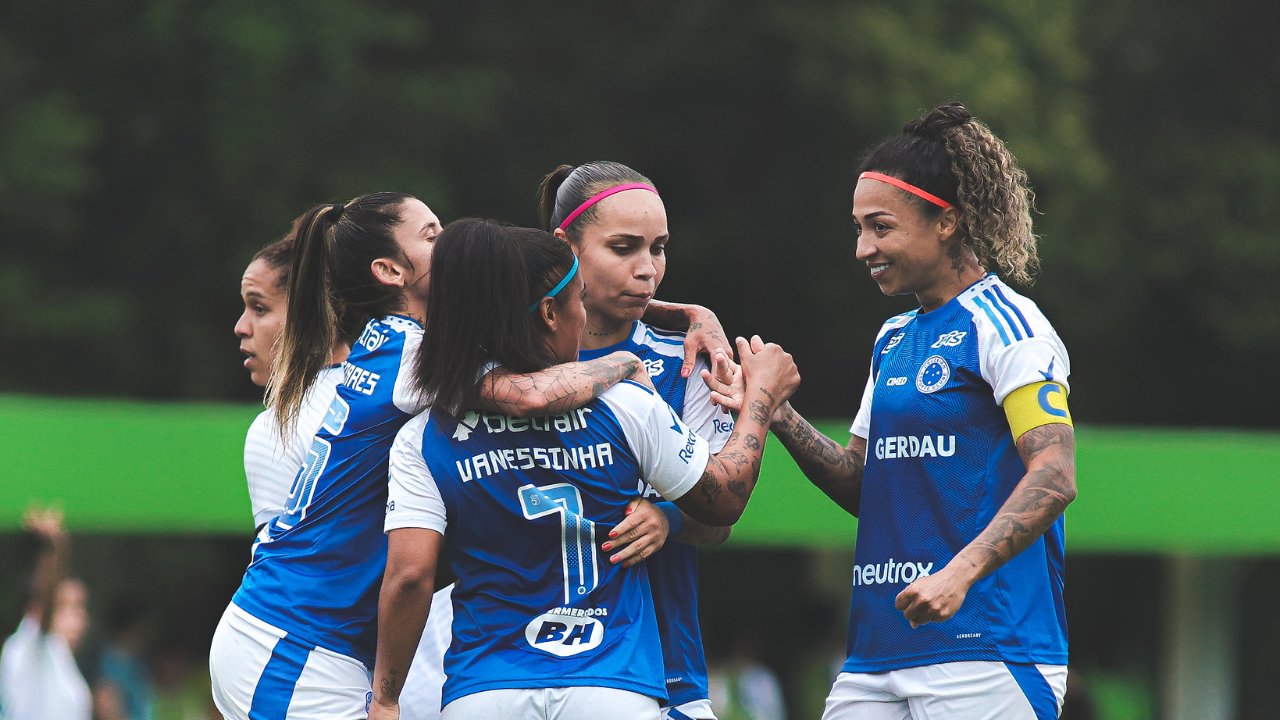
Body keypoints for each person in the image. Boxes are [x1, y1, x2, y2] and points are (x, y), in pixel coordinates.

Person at [209, 193, 662, 719]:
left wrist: (688, 317)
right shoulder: (413, 358)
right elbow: (532, 394)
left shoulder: (399, 345)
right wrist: (624, 365)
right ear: (390, 271)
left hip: (308, 639)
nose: (446, 244)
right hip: (296, 643)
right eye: (430, 235)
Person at [707, 103, 1076, 719]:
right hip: (878, 652)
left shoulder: (1008, 326)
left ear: (947, 222)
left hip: (989, 650)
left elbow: (1055, 474)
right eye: (858, 229)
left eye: (881, 228)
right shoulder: (894, 339)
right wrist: (777, 414)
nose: (862, 248)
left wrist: (959, 573)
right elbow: (863, 483)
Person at [369, 220, 800, 720]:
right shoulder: (626, 403)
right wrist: (761, 398)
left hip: (485, 689)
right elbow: (725, 500)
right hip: (609, 683)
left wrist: (386, 698)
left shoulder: (423, 434)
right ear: (550, 313)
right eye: (578, 299)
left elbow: (409, 577)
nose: (584, 312)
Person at [536, 160, 741, 720]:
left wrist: (669, 518)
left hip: (662, 673)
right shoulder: (510, 369)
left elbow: (722, 516)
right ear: (566, 245)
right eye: (624, 248)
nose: (647, 269)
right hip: (518, 671)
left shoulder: (690, 363)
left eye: (659, 248)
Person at [235, 233, 348, 531]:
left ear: (308, 313)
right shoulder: (395, 391)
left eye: (259, 308)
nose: (240, 327)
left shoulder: (276, 428)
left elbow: (284, 570)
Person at [0, 507, 92, 720]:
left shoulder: (61, 658)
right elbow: (44, 599)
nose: (79, 619)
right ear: (37, 607)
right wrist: (53, 550)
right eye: (68, 607)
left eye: (81, 608)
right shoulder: (25, 647)